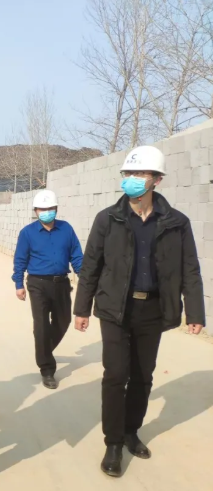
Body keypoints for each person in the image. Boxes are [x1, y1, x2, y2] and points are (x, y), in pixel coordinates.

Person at [73, 145, 205, 477]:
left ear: (157, 180)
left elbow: (190, 268)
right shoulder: (108, 218)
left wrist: (195, 311)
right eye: (128, 173)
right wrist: (82, 308)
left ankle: (131, 431)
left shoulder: (177, 222)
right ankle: (113, 442)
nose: (131, 179)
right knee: (116, 374)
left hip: (154, 309)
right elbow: (91, 266)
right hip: (115, 307)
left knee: (143, 376)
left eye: (139, 173)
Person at [12, 189, 83, 389]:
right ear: (35, 211)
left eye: (50, 208)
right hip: (38, 284)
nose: (46, 212)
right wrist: (19, 284)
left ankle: (43, 350)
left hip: (61, 283)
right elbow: (20, 260)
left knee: (63, 321)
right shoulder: (27, 233)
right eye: (42, 209)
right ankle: (47, 369)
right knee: (41, 325)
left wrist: (86, 278)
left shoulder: (66, 229)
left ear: (56, 209)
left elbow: (76, 256)